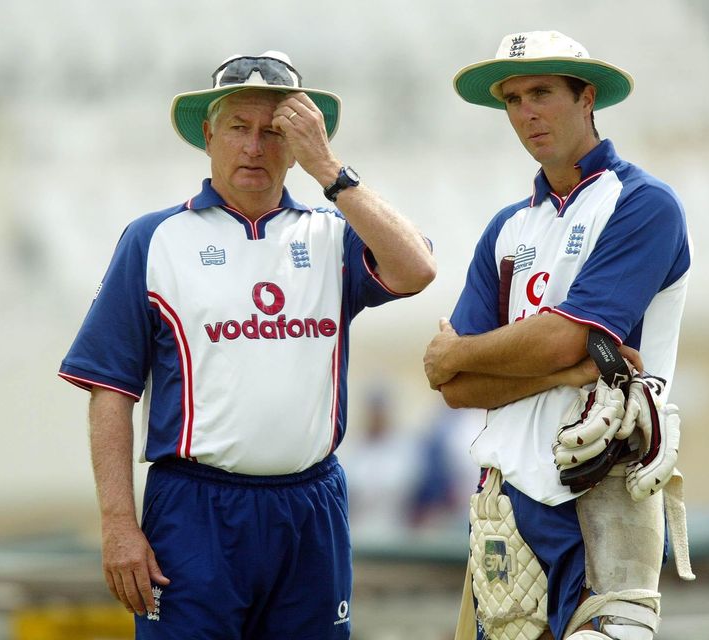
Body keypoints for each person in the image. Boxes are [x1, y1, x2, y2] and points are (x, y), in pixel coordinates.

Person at [59, 50, 435, 639]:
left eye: (275, 131)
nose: (254, 147)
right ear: (208, 135)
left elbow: (416, 270)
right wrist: (117, 524)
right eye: (238, 127)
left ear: (298, 143)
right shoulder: (154, 239)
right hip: (194, 508)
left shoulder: (333, 233)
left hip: (311, 503)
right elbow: (110, 389)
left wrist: (330, 169)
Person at [423, 31, 691, 639]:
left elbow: (561, 340)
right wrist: (565, 372)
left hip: (606, 492)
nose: (526, 113)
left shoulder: (644, 204)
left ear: (587, 96)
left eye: (541, 92)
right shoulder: (508, 226)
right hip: (506, 499)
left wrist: (461, 351)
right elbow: (459, 390)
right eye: (513, 99)